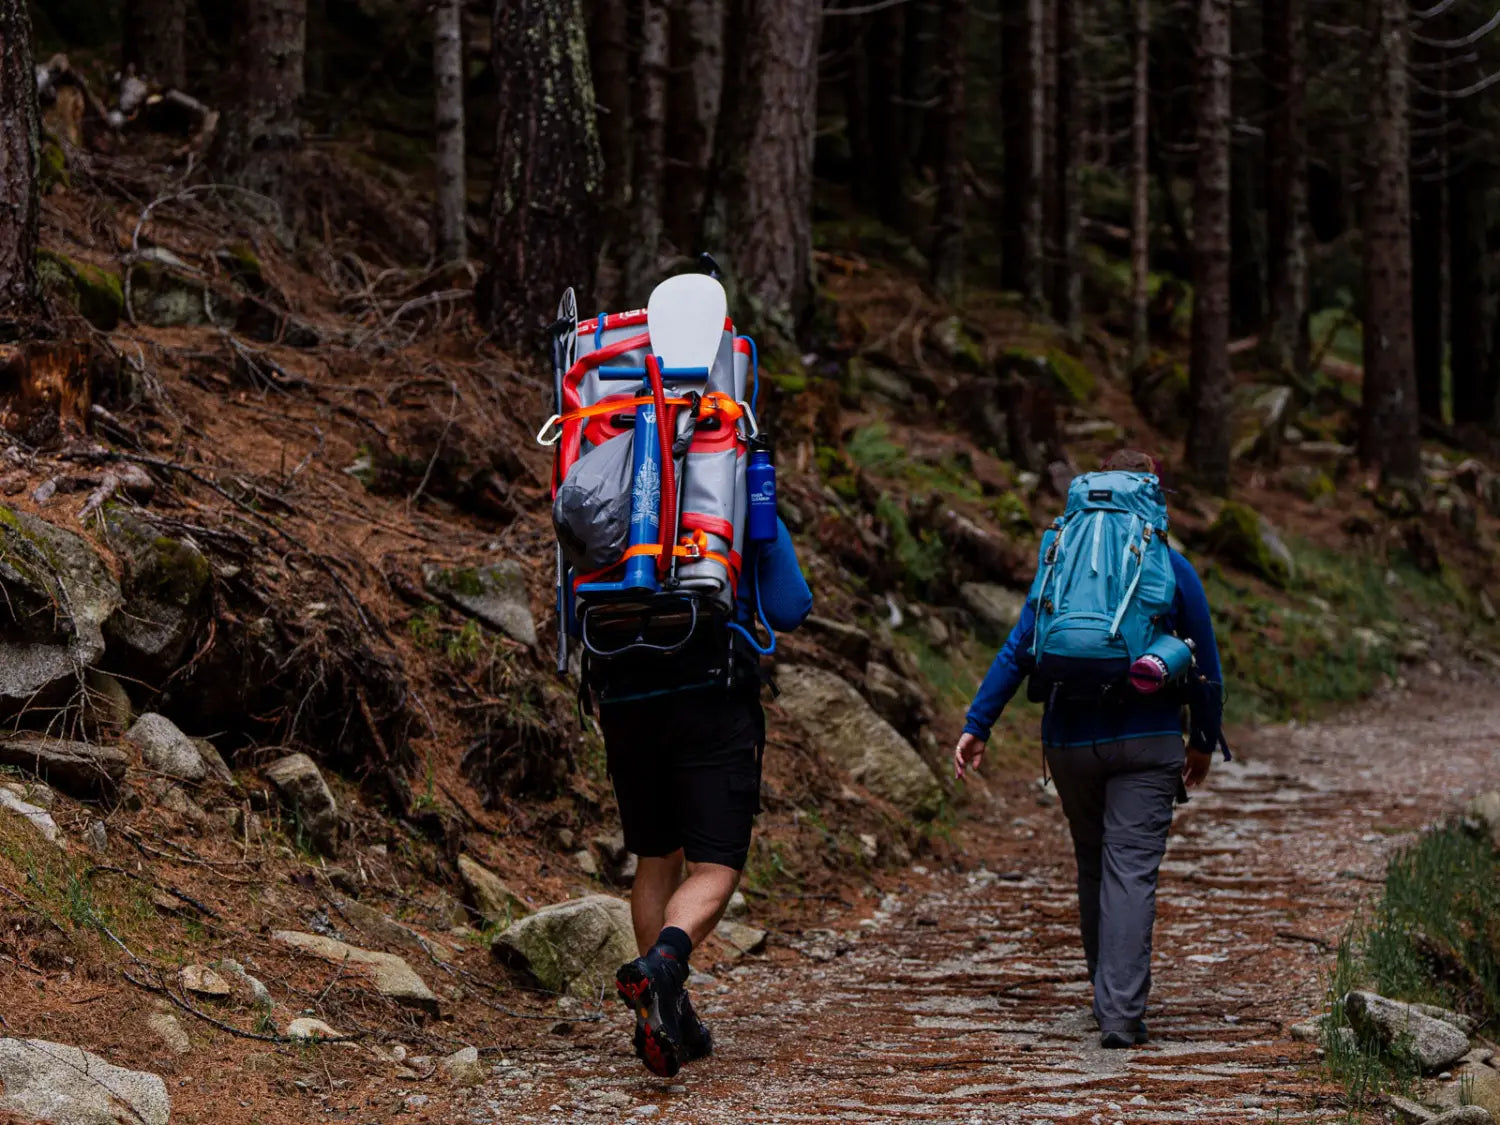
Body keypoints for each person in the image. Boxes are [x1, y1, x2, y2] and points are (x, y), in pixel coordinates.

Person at [953, 449, 1227, 1050]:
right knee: (1130, 870)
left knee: (1093, 863)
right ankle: (1120, 1014)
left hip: (1069, 742)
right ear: (1152, 496)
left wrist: (979, 723)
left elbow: (1020, 645)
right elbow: (1204, 664)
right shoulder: (1170, 567)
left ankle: (1106, 993)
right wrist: (1203, 741)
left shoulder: (1058, 563)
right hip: (1147, 740)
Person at [598, 519, 811, 1077]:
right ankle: (665, 966)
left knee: (657, 856)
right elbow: (790, 605)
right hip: (710, 693)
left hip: (623, 692)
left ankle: (668, 1015)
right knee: (715, 866)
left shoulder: (612, 485)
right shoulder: (735, 484)